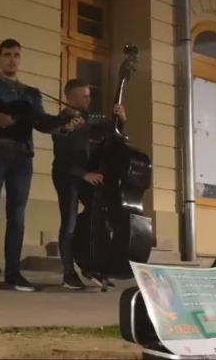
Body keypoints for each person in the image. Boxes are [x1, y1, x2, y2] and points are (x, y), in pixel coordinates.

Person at [0, 38, 72, 292]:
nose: (12, 59)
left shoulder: (30, 93)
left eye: (16, 55)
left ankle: (13, 274)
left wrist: (63, 124)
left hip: (23, 157)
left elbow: (41, 122)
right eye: (7, 54)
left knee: (18, 216)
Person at [51, 79, 126, 290]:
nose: (89, 100)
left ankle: (91, 265)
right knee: (70, 222)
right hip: (68, 175)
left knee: (95, 219)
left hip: (87, 174)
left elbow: (112, 134)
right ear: (70, 98)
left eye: (89, 96)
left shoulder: (88, 119)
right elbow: (63, 159)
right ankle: (68, 273)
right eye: (84, 96)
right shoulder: (60, 122)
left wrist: (120, 119)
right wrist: (84, 174)